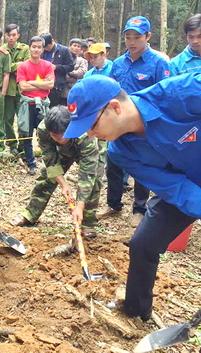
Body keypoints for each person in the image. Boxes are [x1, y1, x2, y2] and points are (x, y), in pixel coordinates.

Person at [63, 73, 201, 321]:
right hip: (185, 185)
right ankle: (136, 313)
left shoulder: (183, 92)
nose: (91, 136)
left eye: (92, 126)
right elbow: (174, 187)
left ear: (114, 107)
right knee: (142, 243)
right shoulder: (121, 152)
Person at [99, 16, 170, 228]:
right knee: (113, 162)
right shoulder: (118, 64)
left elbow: (165, 95)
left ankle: (139, 209)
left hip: (144, 125)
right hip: (118, 124)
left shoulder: (159, 63)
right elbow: (110, 90)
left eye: (137, 37)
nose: (132, 42)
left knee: (142, 165)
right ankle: (113, 204)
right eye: (128, 37)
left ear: (148, 37)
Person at [11, 106, 103, 238]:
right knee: (46, 178)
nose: (61, 139)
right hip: (63, 151)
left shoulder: (84, 134)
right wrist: (63, 184)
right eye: (55, 136)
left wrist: (79, 206)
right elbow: (50, 159)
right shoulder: (43, 129)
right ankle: (30, 214)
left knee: (94, 183)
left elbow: (87, 173)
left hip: (89, 151)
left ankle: (87, 223)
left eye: (64, 134)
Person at [16, 36, 54, 175]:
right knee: (26, 134)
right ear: (29, 47)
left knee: (46, 134)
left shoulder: (48, 65)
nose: (36, 49)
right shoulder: (23, 66)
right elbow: (22, 86)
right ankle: (31, 163)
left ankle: (48, 164)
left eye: (39, 47)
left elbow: (50, 84)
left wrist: (31, 82)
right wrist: (41, 83)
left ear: (43, 49)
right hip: (28, 104)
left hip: (43, 104)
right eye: (34, 46)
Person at [1, 23, 30, 156]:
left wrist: (11, 67)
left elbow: (26, 66)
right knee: (7, 119)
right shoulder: (1, 50)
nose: (11, 38)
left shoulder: (24, 49)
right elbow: (3, 69)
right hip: (7, 90)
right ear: (5, 36)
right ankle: (12, 144)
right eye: (9, 35)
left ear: (18, 35)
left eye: (14, 35)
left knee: (23, 119)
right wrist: (15, 66)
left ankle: (23, 145)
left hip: (22, 90)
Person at [40, 33, 74, 107]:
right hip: (41, 84)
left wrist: (56, 67)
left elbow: (70, 67)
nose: (45, 49)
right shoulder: (41, 51)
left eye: (47, 47)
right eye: (43, 47)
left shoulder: (64, 50)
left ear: (52, 41)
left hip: (57, 86)